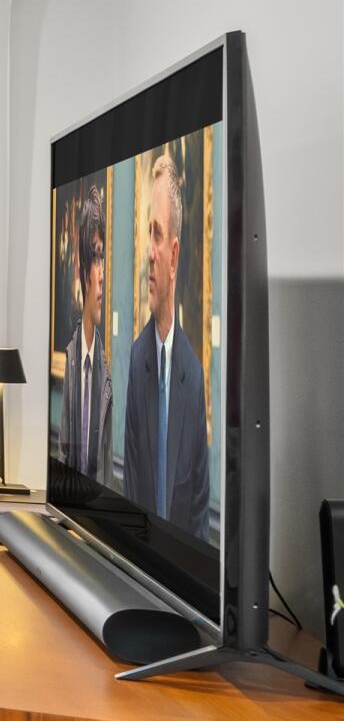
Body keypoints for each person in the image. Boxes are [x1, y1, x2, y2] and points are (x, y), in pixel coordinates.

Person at [119, 150, 211, 539]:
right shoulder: (138, 359)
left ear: (173, 257)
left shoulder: (193, 374)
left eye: (157, 235)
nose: (148, 254)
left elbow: (199, 519)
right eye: (147, 235)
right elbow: (129, 499)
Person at [63, 200, 111, 479]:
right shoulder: (72, 359)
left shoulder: (107, 372)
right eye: (95, 258)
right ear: (82, 273)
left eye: (103, 258)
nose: (102, 274)